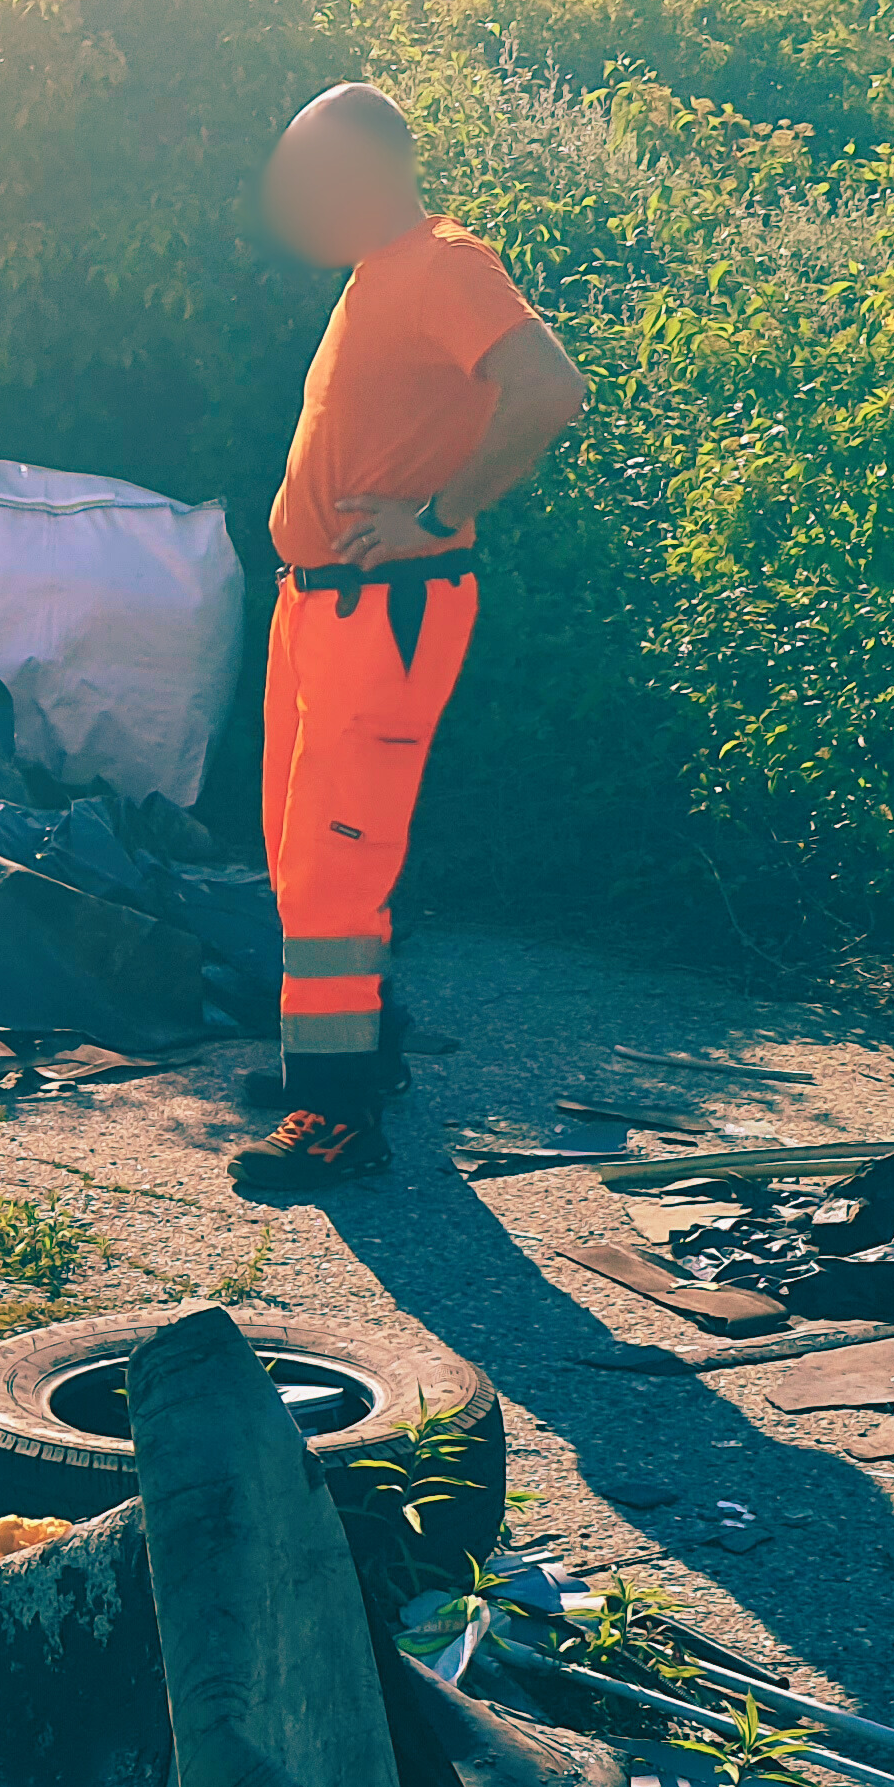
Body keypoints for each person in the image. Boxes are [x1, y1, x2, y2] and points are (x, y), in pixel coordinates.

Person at [229, 82, 588, 1198]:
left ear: (363, 171)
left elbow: (551, 391)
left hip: (388, 607)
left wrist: (436, 513)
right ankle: (353, 1060)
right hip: (318, 605)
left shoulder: (442, 262)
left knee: (339, 856)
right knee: (303, 853)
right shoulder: (375, 277)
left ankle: (335, 1120)